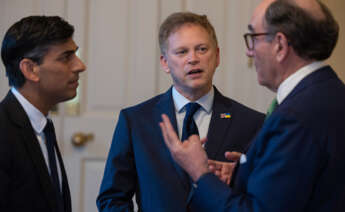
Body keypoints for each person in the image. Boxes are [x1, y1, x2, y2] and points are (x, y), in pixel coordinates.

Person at [160, 0, 345, 211]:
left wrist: (200, 173)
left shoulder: (294, 117)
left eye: (253, 38)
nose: (249, 52)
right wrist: (246, 172)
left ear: (280, 45)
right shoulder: (332, 93)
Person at [97, 12, 264, 212]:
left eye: (202, 49)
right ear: (165, 62)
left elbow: (259, 196)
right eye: (182, 52)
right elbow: (112, 198)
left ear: (217, 56)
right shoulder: (135, 121)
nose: (193, 59)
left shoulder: (251, 122)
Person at [0, 16, 86, 212]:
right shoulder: (4, 131)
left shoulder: (41, 125)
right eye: (66, 57)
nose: (80, 66)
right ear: (30, 69)